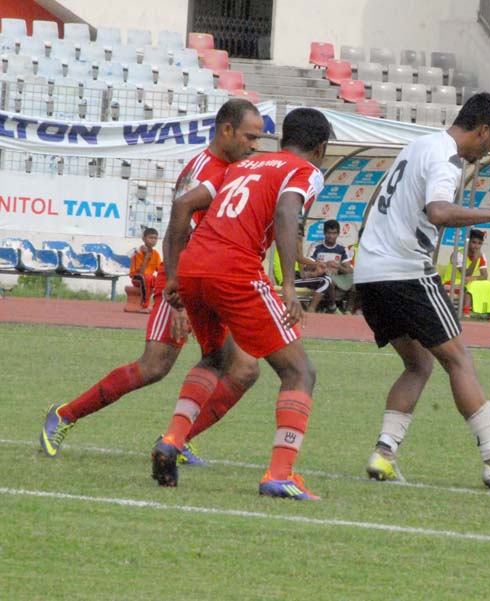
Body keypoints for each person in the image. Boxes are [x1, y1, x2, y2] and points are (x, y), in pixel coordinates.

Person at [39, 98, 265, 462]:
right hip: (183, 284)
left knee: (244, 368)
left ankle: (177, 439)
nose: (255, 145)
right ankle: (64, 415)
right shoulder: (202, 171)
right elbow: (179, 234)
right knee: (154, 366)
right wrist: (178, 297)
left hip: (211, 285)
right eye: (250, 137)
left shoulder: (233, 170)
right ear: (227, 130)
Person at [353, 92, 490, 490]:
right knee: (459, 360)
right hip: (405, 271)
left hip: (369, 274)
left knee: (418, 364)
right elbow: (438, 211)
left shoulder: (419, 146)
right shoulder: (446, 158)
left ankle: (383, 453)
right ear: (483, 130)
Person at [153, 107, 332, 500]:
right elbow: (287, 209)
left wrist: (174, 275)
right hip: (235, 270)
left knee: (215, 358)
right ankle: (279, 475)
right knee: (300, 371)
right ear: (319, 148)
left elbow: (183, 205)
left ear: (282, 139)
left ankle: (172, 440)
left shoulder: (243, 165)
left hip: (194, 267)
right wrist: (288, 284)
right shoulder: (305, 170)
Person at [442, 228, 490, 321]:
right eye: (474, 242)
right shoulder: (458, 254)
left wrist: (473, 278)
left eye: (479, 243)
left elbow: (484, 276)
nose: (476, 246)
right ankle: (466, 312)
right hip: (451, 283)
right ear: (468, 242)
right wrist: (475, 259)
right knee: (470, 286)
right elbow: (466, 274)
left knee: (489, 284)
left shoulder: (481, 255)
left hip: (466, 282)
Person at [308, 219, 353, 313]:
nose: (331, 236)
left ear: (338, 234)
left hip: (336, 278)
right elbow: (308, 267)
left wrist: (338, 266)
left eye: (334, 233)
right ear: (324, 233)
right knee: (328, 279)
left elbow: (349, 270)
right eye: (329, 233)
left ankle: (348, 311)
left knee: (355, 281)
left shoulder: (342, 248)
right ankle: (332, 306)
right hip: (319, 276)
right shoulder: (316, 246)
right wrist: (323, 264)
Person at [129, 227, 161, 309]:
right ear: (143, 239)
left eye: (155, 238)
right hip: (137, 278)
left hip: (149, 278)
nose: (153, 240)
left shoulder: (156, 254)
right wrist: (146, 256)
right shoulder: (137, 253)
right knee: (147, 278)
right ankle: (144, 304)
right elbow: (141, 273)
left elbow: (160, 270)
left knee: (159, 279)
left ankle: (158, 304)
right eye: (151, 238)